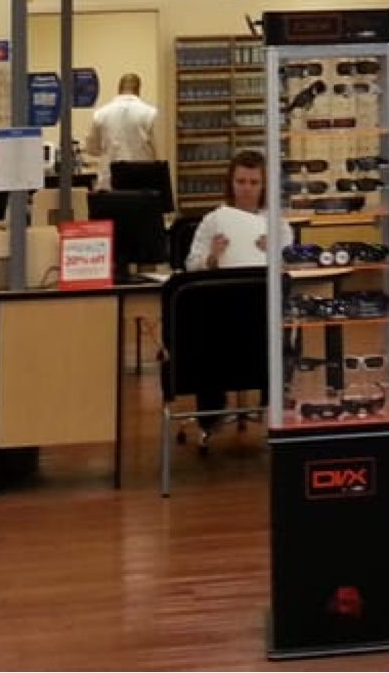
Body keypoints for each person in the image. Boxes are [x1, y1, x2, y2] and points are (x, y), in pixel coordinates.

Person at [181, 151, 284, 448]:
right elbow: (191, 265)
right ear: (231, 183)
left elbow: (293, 266)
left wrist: (274, 253)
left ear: (264, 185)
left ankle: (272, 408)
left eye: (254, 182)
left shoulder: (276, 223)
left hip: (260, 311)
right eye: (241, 181)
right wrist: (212, 257)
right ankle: (211, 414)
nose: (247, 188)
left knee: (275, 335)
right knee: (207, 336)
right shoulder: (213, 221)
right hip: (219, 311)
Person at [84, 71, 160, 176]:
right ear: (138, 90)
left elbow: (91, 149)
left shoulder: (100, 114)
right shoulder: (151, 113)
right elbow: (159, 150)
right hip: (142, 178)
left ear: (119, 89)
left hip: (111, 178)